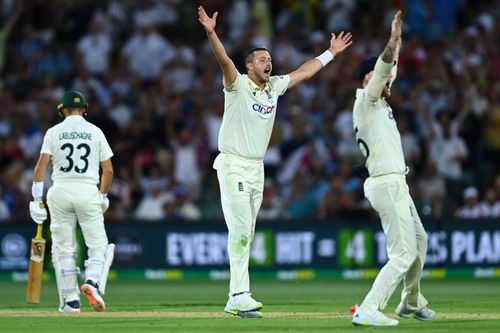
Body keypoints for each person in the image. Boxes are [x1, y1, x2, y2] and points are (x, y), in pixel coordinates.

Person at [198, 6, 352, 318]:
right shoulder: (237, 84)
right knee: (241, 229)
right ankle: (240, 294)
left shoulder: (274, 88)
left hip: (257, 167)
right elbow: (224, 61)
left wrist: (330, 53)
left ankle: (236, 296)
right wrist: (212, 33)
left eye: (270, 58)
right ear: (249, 66)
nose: (269, 62)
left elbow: (304, 72)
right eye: (262, 59)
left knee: (248, 231)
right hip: (233, 164)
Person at [351, 11, 434, 326]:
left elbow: (390, 68)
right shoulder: (367, 102)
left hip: (396, 184)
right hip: (386, 185)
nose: (388, 80)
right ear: (368, 79)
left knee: (420, 241)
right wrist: (394, 39)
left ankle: (410, 301)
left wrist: (396, 45)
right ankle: (368, 309)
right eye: (380, 76)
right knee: (402, 255)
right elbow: (385, 66)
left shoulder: (380, 102)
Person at [29, 90, 115, 313]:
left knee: (64, 248)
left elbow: (40, 168)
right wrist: (103, 195)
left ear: (62, 110)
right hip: (87, 190)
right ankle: (93, 282)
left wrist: (36, 200)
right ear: (84, 109)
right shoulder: (95, 131)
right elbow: (108, 170)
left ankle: (71, 301)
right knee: (98, 246)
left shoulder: (53, 132)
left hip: (59, 192)